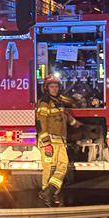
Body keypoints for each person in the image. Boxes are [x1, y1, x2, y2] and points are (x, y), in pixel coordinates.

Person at [35, 74, 75, 206]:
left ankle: (50, 192)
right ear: (46, 88)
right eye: (51, 86)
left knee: (63, 165)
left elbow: (64, 116)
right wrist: (46, 143)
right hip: (49, 141)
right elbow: (41, 123)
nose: (54, 89)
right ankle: (47, 194)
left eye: (56, 86)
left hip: (60, 140)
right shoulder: (44, 102)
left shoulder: (58, 102)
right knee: (50, 168)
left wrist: (76, 123)